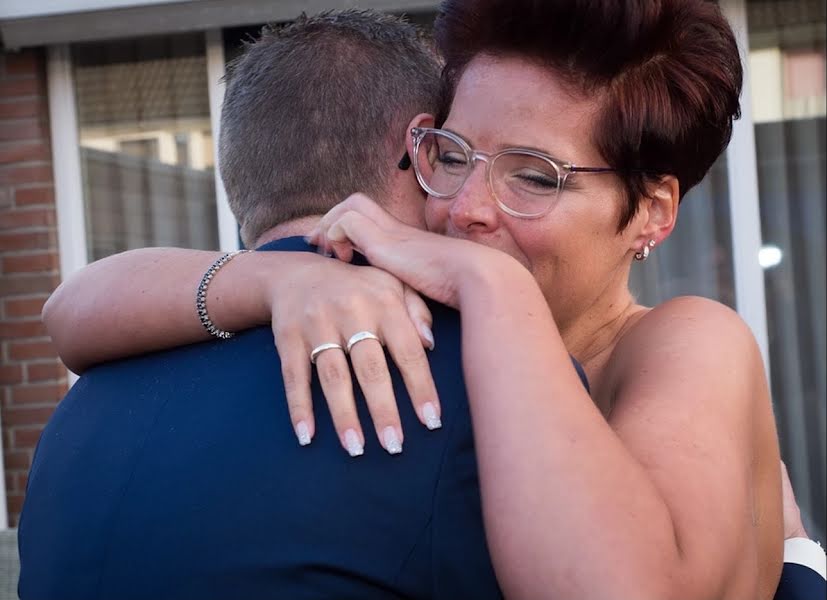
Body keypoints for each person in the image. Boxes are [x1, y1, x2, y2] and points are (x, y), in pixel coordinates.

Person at [26, 2, 822, 599]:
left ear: (649, 211)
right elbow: (72, 311)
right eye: (452, 154)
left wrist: (799, 567)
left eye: (533, 176)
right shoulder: (421, 330)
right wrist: (275, 277)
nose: (466, 206)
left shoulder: (689, 341)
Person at [18, 11, 507, 600]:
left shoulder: (82, 406)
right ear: (420, 153)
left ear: (238, 175)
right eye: (453, 156)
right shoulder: (479, 374)